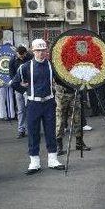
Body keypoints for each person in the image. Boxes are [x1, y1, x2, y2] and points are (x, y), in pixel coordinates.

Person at [11, 38, 65, 174]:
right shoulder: (25, 67)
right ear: (33, 51)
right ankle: (34, 162)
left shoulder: (52, 66)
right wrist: (26, 90)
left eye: (43, 50)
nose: (41, 53)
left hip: (49, 103)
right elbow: (15, 83)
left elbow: (62, 81)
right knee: (33, 133)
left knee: (50, 132)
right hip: (33, 103)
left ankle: (53, 159)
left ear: (47, 51)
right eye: (38, 50)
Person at [54, 80, 91, 156]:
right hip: (61, 93)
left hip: (74, 93)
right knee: (60, 120)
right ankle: (59, 145)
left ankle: (79, 143)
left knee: (77, 118)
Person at [9, 45, 33, 138]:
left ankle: (31, 128)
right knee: (21, 110)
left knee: (30, 109)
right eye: (20, 55)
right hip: (19, 88)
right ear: (16, 53)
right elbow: (11, 75)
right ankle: (21, 129)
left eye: (23, 55)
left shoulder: (30, 58)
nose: (21, 57)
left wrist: (29, 83)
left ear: (26, 53)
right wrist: (18, 84)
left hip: (29, 87)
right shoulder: (12, 60)